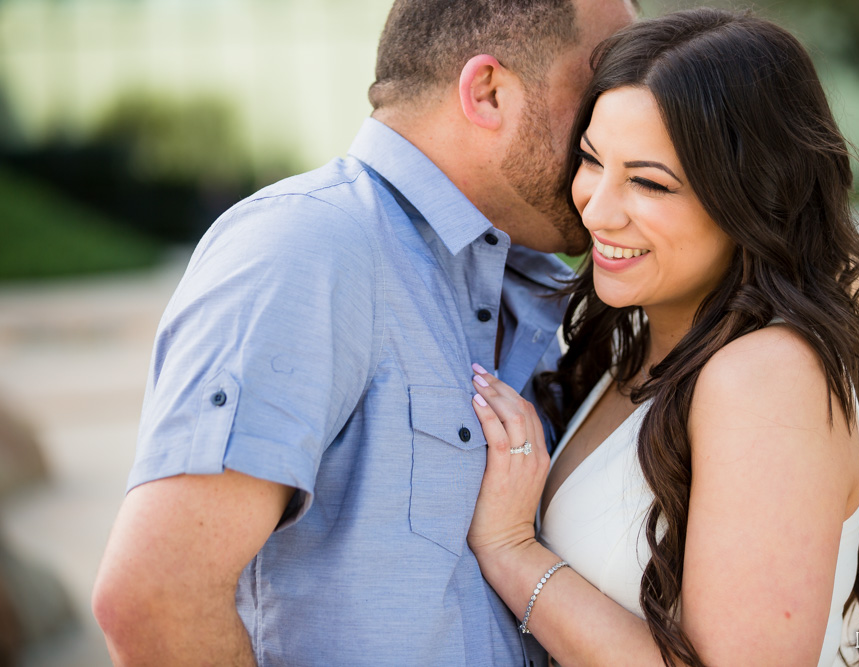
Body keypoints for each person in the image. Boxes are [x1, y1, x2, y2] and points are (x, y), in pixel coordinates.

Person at [91, 1, 637, 665]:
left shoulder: (535, 281)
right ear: (489, 93)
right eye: (604, 86)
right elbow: (156, 598)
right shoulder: (306, 248)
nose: (626, 120)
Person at [465, 9, 859, 667]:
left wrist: (512, 550)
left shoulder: (765, 376)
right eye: (591, 159)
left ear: (752, 196)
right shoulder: (636, 345)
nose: (598, 208)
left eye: (649, 181)